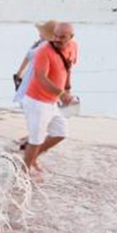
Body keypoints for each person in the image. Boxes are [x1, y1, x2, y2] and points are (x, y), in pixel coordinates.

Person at [22, 22, 78, 176]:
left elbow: (69, 68)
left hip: (54, 101)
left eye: (62, 37)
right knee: (35, 140)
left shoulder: (73, 47)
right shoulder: (44, 51)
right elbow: (41, 77)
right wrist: (61, 94)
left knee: (60, 133)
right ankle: (23, 173)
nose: (57, 39)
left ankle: (33, 158)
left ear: (71, 37)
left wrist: (68, 89)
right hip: (37, 101)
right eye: (55, 35)